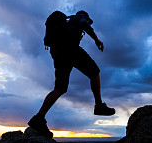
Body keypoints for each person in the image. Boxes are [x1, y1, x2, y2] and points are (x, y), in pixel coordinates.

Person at [28, 10, 115, 138]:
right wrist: (96, 39)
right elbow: (85, 24)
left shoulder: (63, 25)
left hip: (58, 54)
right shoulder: (79, 17)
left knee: (60, 88)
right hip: (71, 50)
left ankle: (39, 117)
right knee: (94, 72)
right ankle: (99, 106)